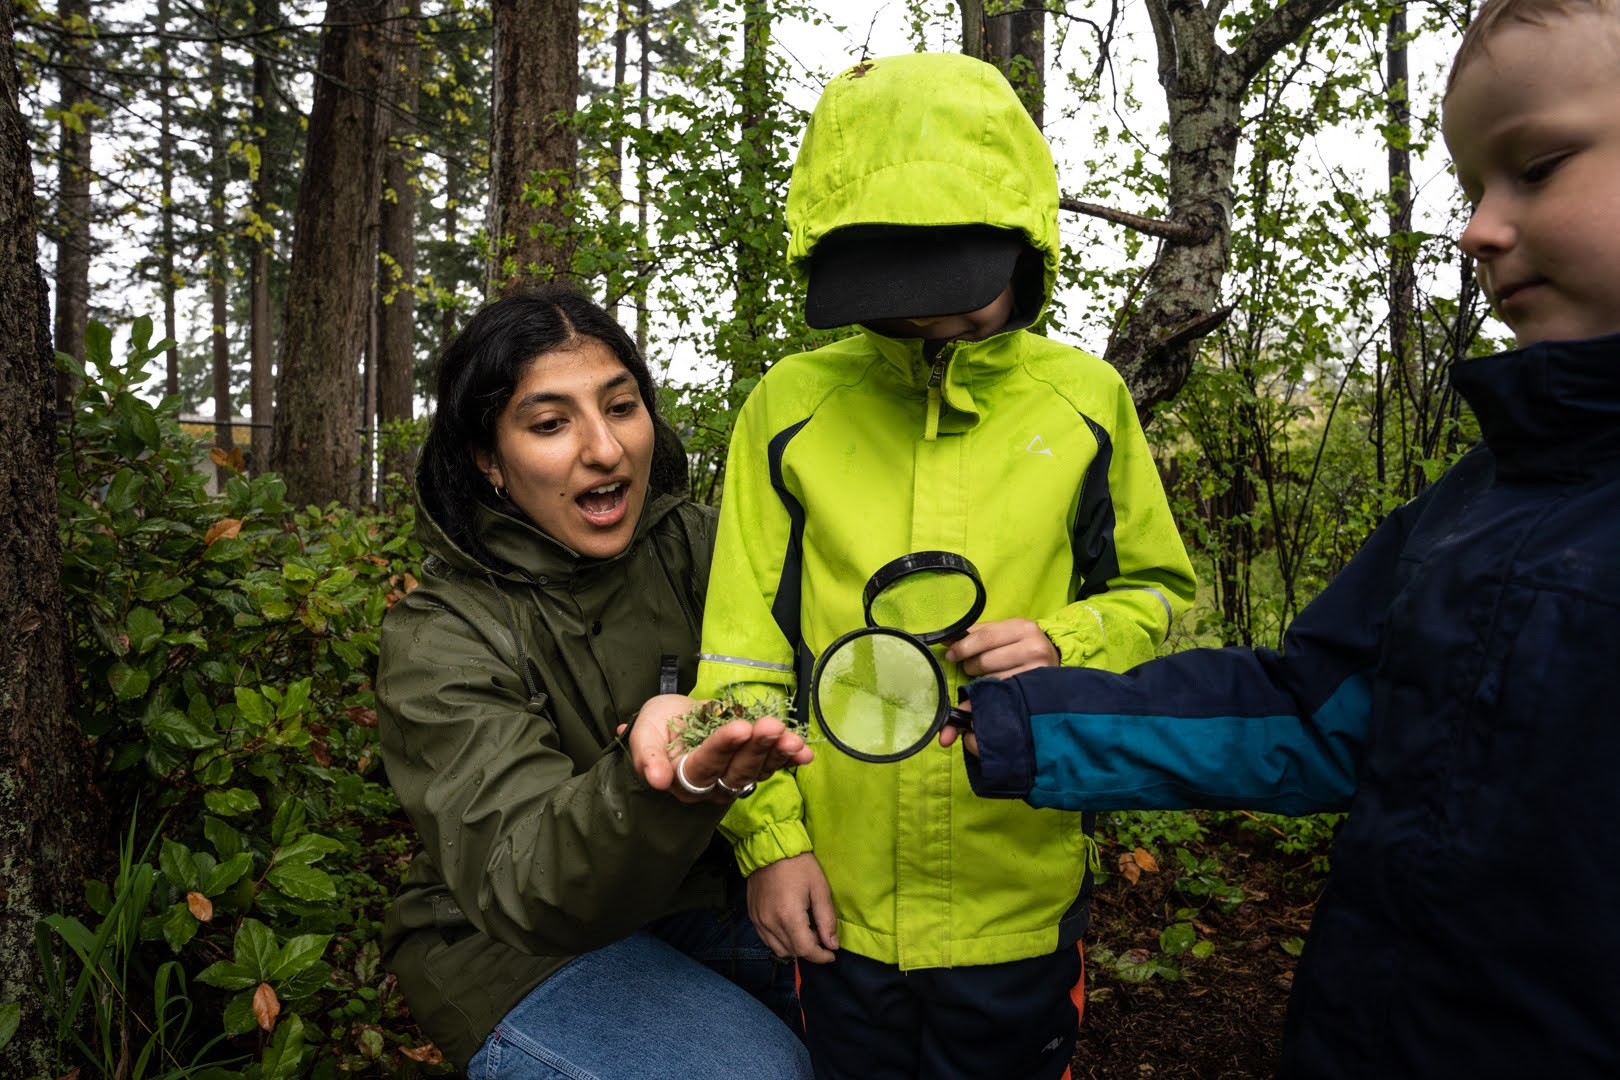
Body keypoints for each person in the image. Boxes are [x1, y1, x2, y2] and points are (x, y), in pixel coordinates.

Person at [946, 1, 1620, 1074]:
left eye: (1536, 167)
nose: (1479, 229)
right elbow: (1309, 708)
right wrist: (1034, 721)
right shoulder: (1469, 510)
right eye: (1472, 188)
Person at [690, 53, 1198, 1078]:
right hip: (839, 894)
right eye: (899, 299)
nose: (932, 323)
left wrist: (1068, 638)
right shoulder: (789, 411)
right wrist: (772, 845)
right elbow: (736, 660)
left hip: (1019, 889)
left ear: (1026, 244)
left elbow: (1158, 593)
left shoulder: (1085, 402)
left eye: (962, 295)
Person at [376, 286, 815, 1080]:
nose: (604, 450)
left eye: (620, 407)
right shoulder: (442, 631)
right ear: (488, 459)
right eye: (550, 423)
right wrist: (656, 784)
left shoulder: (711, 547)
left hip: (719, 893)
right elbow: (524, 877)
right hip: (516, 945)